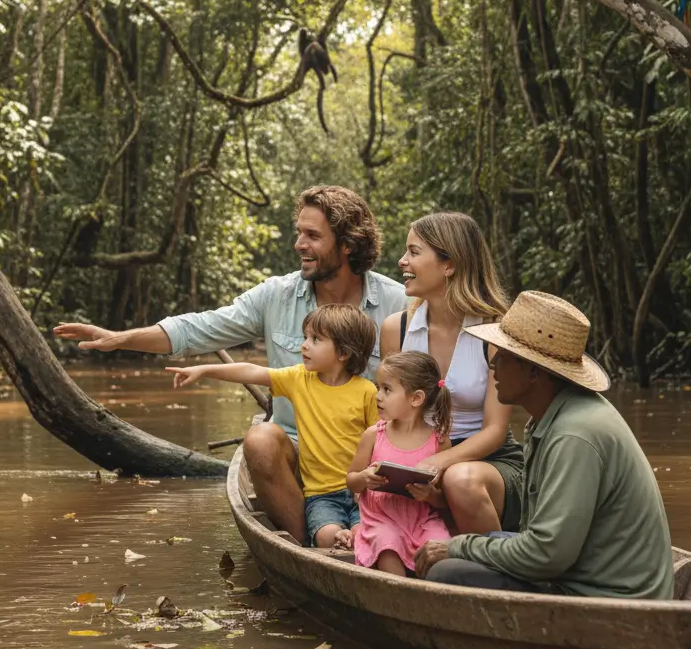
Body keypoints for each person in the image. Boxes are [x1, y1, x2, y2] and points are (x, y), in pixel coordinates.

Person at [54, 185, 406, 544]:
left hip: (373, 455)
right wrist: (121, 337)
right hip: (301, 450)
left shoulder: (397, 301)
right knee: (260, 439)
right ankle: (311, 550)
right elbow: (200, 328)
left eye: (313, 235)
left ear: (347, 244)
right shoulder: (276, 296)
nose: (299, 244)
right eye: (298, 232)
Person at [415, 291, 675, 599]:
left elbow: (546, 555)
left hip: (608, 595)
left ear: (534, 372)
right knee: (465, 550)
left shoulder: (574, 434)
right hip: (578, 570)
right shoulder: (553, 417)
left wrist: (458, 546)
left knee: (448, 570)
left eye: (505, 356)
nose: (494, 364)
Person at [166, 304, 378, 548]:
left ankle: (354, 538)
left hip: (362, 492)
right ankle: (337, 540)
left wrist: (367, 483)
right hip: (321, 496)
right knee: (325, 536)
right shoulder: (299, 379)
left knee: (366, 531)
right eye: (305, 337)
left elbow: (380, 442)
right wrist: (203, 369)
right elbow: (251, 371)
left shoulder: (367, 391)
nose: (304, 345)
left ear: (343, 353)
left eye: (316, 339)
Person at [379, 212, 524, 534]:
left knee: (459, 480)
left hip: (488, 463)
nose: (402, 261)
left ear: (450, 264)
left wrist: (438, 463)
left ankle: (496, 572)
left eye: (414, 252)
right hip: (417, 457)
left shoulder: (497, 333)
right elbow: (390, 416)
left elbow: (495, 430)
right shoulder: (395, 329)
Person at [347, 351, 452, 576]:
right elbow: (351, 481)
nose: (378, 396)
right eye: (378, 387)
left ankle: (435, 598)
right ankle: (397, 597)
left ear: (416, 399)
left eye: (387, 389)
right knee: (387, 543)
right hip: (380, 520)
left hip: (422, 521)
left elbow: (445, 499)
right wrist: (364, 478)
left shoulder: (439, 442)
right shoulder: (374, 435)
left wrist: (430, 495)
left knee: (440, 548)